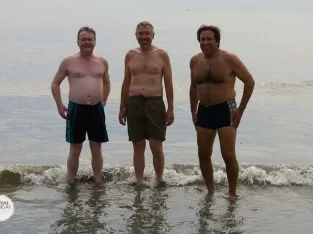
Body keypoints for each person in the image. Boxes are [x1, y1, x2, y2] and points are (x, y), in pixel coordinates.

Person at [189, 25, 255, 200]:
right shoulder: (195, 61)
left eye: (210, 39)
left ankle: (232, 193)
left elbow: (249, 81)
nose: (206, 42)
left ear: (217, 41)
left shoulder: (229, 59)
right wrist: (193, 110)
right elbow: (193, 87)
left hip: (225, 108)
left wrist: (241, 109)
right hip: (204, 110)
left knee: (228, 154)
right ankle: (210, 190)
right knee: (203, 154)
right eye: (203, 39)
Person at [51, 26, 110, 185]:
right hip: (76, 108)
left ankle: (98, 181)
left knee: (96, 148)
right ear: (78, 42)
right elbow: (55, 83)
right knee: (75, 149)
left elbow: (106, 81)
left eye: (90, 39)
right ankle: (71, 181)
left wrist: (104, 100)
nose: (87, 42)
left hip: (96, 108)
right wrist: (59, 105)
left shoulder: (102, 62)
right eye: (83, 39)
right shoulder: (69, 61)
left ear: (95, 41)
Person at [118, 21, 174, 186]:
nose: (144, 37)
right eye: (140, 34)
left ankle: (159, 179)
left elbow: (169, 82)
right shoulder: (130, 55)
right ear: (136, 36)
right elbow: (126, 82)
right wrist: (122, 107)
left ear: (152, 35)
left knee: (156, 145)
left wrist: (170, 108)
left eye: (147, 33)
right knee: (138, 145)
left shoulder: (162, 54)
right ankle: (139, 181)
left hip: (155, 102)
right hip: (134, 102)